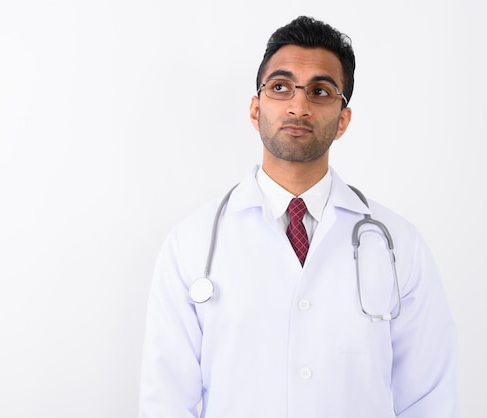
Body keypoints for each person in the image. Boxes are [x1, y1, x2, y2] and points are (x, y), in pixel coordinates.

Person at [139, 16, 457, 418]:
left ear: (343, 119)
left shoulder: (400, 245)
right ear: (256, 110)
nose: (299, 105)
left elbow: (429, 399)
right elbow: (166, 403)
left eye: (320, 91)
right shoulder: (191, 244)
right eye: (280, 87)